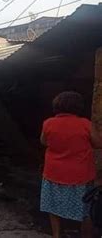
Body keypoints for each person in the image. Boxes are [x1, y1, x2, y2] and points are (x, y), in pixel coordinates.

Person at [40, 91, 101, 238]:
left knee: (53, 205)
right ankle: (85, 235)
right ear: (78, 107)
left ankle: (56, 235)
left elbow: (43, 141)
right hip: (80, 175)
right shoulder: (85, 124)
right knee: (85, 208)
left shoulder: (48, 123)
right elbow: (98, 143)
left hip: (53, 173)